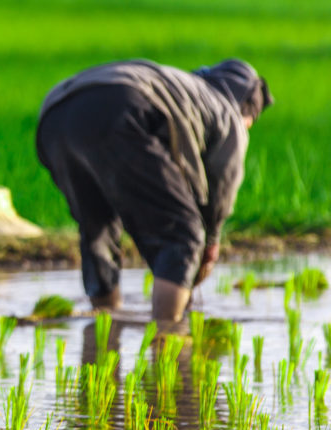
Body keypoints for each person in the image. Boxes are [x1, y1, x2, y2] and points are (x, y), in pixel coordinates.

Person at [36, 59, 272, 321]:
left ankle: (104, 323)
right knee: (183, 236)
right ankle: (168, 338)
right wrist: (209, 245)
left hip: (54, 113)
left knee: (98, 225)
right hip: (122, 103)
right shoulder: (229, 115)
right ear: (247, 108)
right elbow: (220, 191)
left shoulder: (184, 89)